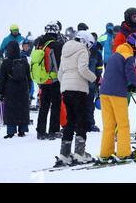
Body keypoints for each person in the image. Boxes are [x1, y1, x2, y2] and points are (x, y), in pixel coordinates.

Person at [99, 33, 136, 162]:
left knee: (109, 125)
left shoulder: (115, 54)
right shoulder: (128, 56)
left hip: (104, 92)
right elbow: (130, 74)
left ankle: (106, 152)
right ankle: (123, 153)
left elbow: (116, 74)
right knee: (123, 124)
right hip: (117, 93)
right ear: (133, 46)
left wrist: (129, 85)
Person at [56, 31, 97, 165]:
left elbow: (60, 74)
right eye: (89, 45)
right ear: (85, 41)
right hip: (79, 89)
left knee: (70, 121)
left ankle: (65, 154)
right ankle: (80, 153)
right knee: (82, 120)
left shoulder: (65, 50)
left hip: (66, 89)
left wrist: (66, 85)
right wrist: (94, 78)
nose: (89, 48)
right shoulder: (82, 50)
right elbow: (83, 70)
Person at [34, 22, 64, 140]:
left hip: (42, 79)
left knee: (44, 106)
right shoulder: (56, 45)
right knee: (55, 105)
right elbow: (58, 64)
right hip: (54, 80)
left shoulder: (39, 44)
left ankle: (40, 131)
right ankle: (53, 130)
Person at [0, 41, 32, 139]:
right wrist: (28, 89)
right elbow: (29, 77)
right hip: (22, 89)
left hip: (10, 90)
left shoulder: (6, 62)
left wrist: (0, 92)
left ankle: (11, 131)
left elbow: (2, 79)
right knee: (23, 109)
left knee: (11, 110)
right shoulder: (24, 61)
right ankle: (22, 130)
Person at [87, 32, 103, 132]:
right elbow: (99, 69)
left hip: (87, 83)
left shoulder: (95, 52)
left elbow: (99, 69)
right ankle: (89, 124)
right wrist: (98, 78)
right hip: (91, 82)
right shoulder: (96, 53)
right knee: (89, 104)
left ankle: (86, 123)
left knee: (86, 104)